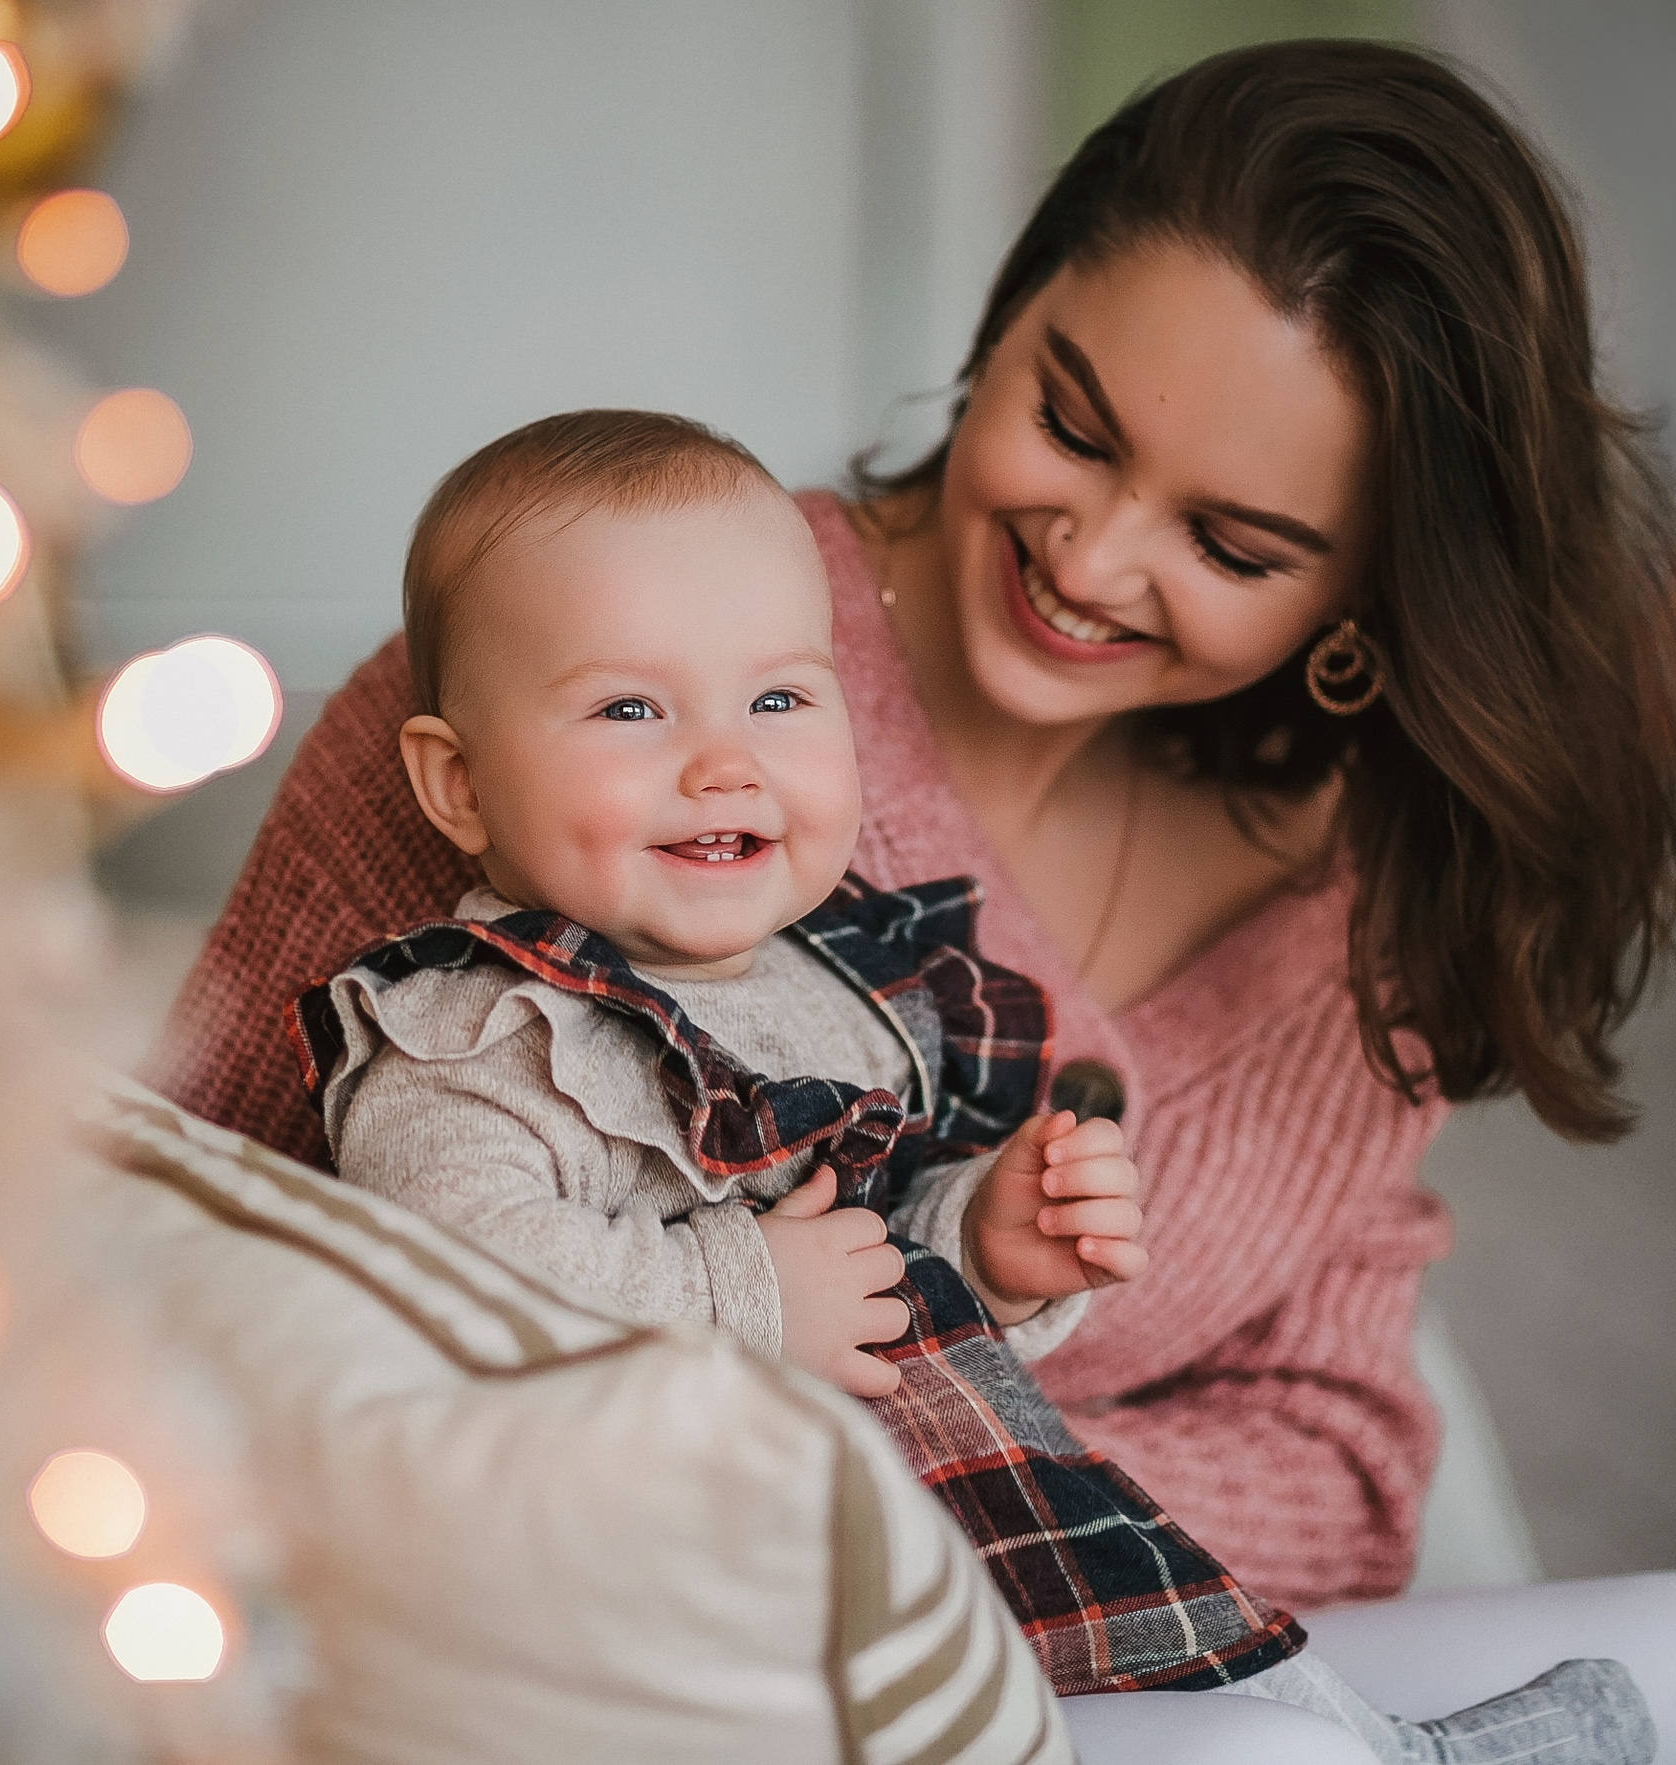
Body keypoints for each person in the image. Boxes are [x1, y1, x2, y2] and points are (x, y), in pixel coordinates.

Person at [145, 40, 1676, 1623]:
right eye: (1072, 424)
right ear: (1003, 316)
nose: (1091, 561)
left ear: (1370, 587)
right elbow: (190, 1240)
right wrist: (837, 1454)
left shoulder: (1387, 888)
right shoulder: (577, 668)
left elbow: (1346, 1475)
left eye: (1230, 545)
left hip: (1082, 1665)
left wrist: (913, 1450)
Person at [284, 404, 1649, 1761]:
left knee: (1310, 1658)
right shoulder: (467, 1035)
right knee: (1265, 1748)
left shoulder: (839, 988)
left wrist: (986, 1247)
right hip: (655, 1638)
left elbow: (877, 1258)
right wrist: (748, 1293)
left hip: (914, 1584)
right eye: (630, 708)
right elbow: (448, 1291)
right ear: (459, 784)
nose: (724, 760)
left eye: (779, 698)